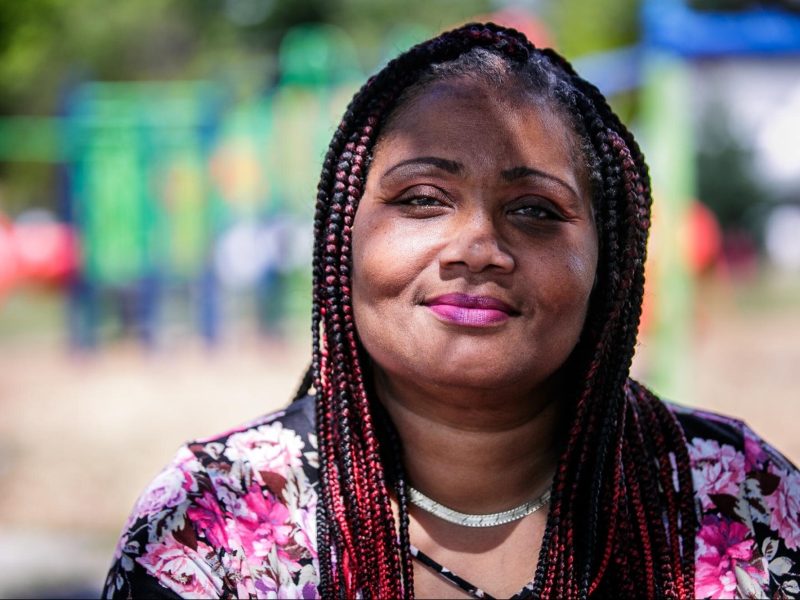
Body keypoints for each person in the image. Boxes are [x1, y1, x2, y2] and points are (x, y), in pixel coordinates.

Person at [102, 23, 800, 599]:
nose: (477, 248)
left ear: (607, 261)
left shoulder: (738, 493)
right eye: (421, 199)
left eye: (534, 210)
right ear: (344, 234)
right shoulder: (213, 519)